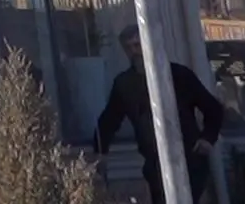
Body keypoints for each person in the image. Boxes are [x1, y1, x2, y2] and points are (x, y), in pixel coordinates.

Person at [95, 25, 226, 204]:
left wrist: (208, 138)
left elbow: (213, 108)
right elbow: (109, 120)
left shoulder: (178, 75)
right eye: (128, 47)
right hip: (154, 161)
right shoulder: (125, 84)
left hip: (189, 157)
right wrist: (100, 151)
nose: (134, 52)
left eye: (137, 45)